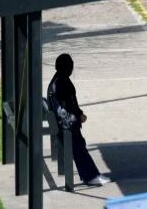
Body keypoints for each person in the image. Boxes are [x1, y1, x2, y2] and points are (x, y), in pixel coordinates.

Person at [46, 54, 110, 186]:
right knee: (79, 147)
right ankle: (91, 176)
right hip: (66, 126)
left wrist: (78, 114)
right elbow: (67, 105)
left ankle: (91, 174)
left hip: (61, 124)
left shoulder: (57, 80)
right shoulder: (62, 82)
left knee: (80, 145)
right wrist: (79, 115)